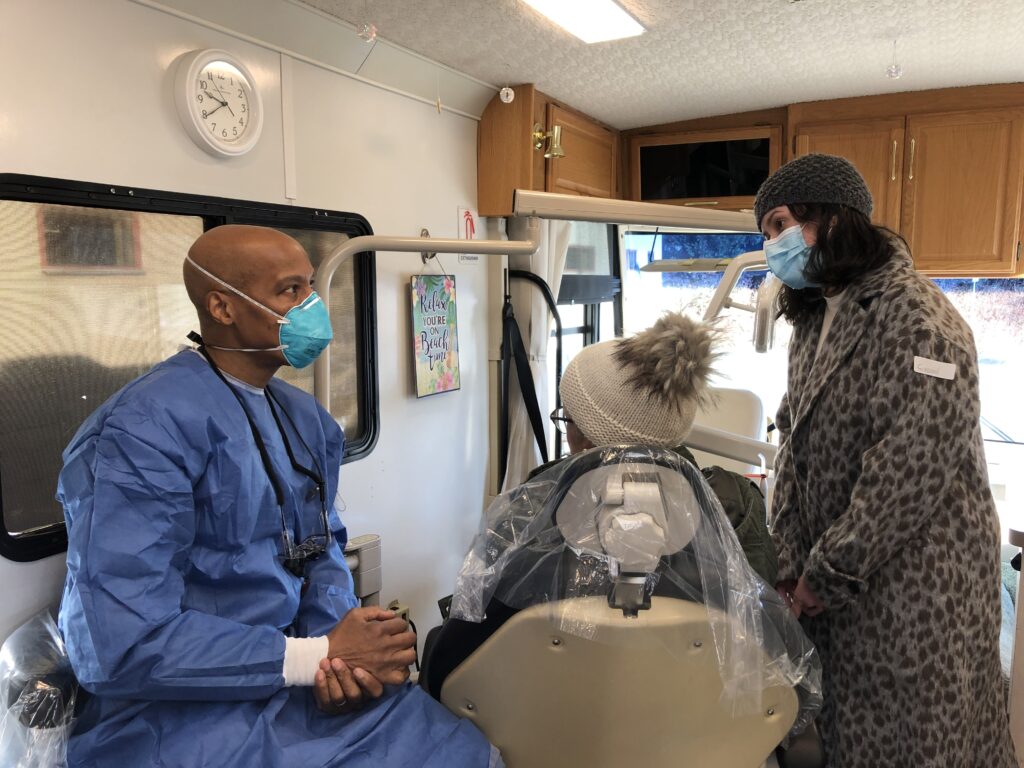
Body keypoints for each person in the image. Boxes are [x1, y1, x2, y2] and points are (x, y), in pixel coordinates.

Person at [57, 225, 500, 767]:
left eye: (311, 288)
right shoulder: (142, 431)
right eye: (291, 291)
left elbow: (322, 554)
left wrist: (344, 661)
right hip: (181, 709)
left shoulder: (304, 418)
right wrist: (314, 655)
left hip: (301, 685)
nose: (312, 307)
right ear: (222, 306)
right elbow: (119, 643)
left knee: (465, 754)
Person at [756, 154, 1016, 767]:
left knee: (918, 744)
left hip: (917, 595)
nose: (772, 247)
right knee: (851, 739)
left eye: (780, 225)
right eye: (766, 233)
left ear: (832, 217)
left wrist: (828, 572)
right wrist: (793, 561)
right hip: (839, 588)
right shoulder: (818, 315)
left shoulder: (921, 320)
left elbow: (908, 471)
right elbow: (795, 442)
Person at [539, 311, 778, 585]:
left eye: (566, 419)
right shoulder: (737, 506)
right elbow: (761, 611)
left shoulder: (544, 499)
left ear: (587, 439)